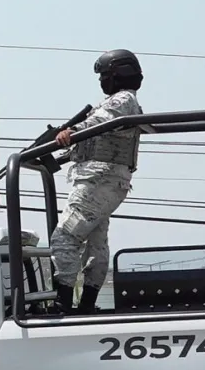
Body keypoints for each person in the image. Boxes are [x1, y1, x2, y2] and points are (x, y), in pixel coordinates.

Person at [49, 49, 144, 315]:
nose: (102, 81)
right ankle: (87, 303)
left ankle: (63, 304)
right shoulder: (122, 100)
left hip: (98, 180)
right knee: (95, 243)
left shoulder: (122, 100)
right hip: (106, 181)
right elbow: (102, 138)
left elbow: (100, 122)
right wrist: (66, 152)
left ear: (117, 75)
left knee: (65, 238)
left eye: (104, 75)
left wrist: (72, 132)